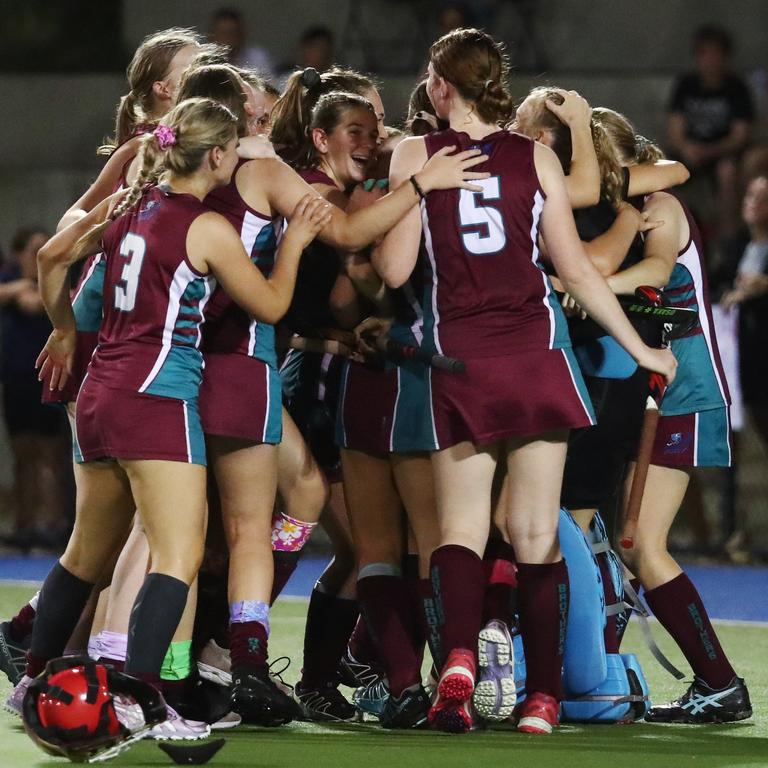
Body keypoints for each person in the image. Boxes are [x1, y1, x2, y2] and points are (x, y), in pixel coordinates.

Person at [372, 27, 675, 735]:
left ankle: (457, 659)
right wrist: (643, 348)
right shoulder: (536, 157)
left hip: (461, 359)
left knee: (461, 529)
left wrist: (415, 193)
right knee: (536, 533)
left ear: (443, 85)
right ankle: (541, 699)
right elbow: (573, 270)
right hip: (539, 354)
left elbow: (391, 272)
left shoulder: (416, 154)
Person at [10, 97, 331, 734]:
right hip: (157, 396)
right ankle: (145, 699)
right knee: (177, 555)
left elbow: (51, 259)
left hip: (101, 389)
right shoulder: (204, 225)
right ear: (215, 155)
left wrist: (68, 330)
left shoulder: (130, 204)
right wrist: (293, 244)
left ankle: (30, 679)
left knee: (83, 554)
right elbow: (269, 305)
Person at [598, 108, 753, 724]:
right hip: (650, 393)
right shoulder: (613, 215)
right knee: (619, 541)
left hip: (686, 391)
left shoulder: (658, 205)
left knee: (642, 545)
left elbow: (658, 271)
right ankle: (598, 671)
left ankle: (720, 684)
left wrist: (579, 280)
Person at [0, 227, 69, 551]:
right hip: (16, 380)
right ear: (18, 254)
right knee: (22, 454)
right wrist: (17, 288)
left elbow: (37, 304)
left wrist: (31, 290)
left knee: (49, 455)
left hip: (50, 377)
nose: (38, 255)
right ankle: (23, 524)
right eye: (33, 250)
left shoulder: (58, 275)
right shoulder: (10, 277)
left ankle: (50, 524)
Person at [667, 25, 754, 239]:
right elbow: (675, 130)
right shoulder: (686, 85)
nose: (710, 61)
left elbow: (739, 136)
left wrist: (708, 151)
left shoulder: (736, 88)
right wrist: (687, 148)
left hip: (722, 154)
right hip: (689, 152)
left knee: (727, 172)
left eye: (716, 54)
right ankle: (672, 235)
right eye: (705, 54)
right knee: (661, 172)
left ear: (725, 57)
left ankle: (728, 240)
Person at [209, 6, 275, 77]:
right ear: (212, 37)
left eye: (232, 33)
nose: (228, 39)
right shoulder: (204, 63)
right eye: (223, 33)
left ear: (242, 35)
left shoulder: (258, 59)